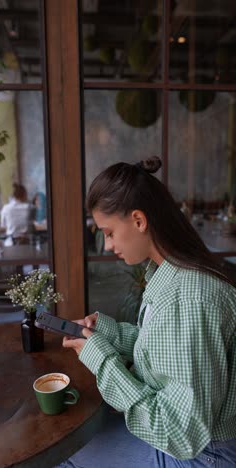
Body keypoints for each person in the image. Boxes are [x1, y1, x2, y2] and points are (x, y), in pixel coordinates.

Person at [56, 157, 236, 468]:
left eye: (109, 232)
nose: (107, 245)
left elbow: (182, 435)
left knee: (63, 455)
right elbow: (167, 347)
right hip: (195, 443)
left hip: (205, 455)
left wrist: (102, 360)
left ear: (139, 220)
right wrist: (107, 334)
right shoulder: (172, 275)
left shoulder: (189, 300)